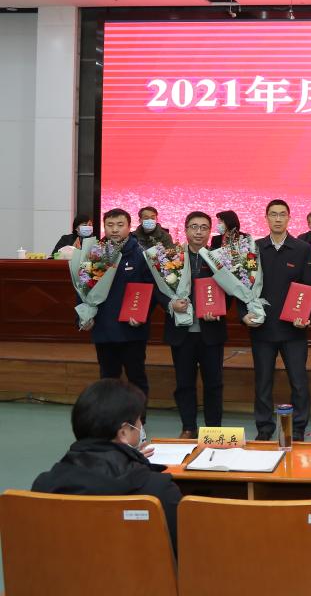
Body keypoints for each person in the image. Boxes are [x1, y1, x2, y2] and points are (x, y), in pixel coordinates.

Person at [32, 379, 182, 552]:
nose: (141, 425)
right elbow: (185, 552)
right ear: (124, 432)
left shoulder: (43, 487)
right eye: (139, 420)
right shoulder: (158, 491)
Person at [241, 199, 311, 442]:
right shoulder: (254, 249)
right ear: (266, 218)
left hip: (293, 330)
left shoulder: (301, 249)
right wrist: (244, 314)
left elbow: (308, 287)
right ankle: (264, 428)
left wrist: (304, 316)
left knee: (299, 382)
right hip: (262, 328)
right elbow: (242, 286)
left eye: (282, 214)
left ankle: (298, 428)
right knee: (263, 382)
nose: (277, 219)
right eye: (273, 214)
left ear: (289, 218)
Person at [155, 212, 226, 439]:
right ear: (185, 230)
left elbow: (233, 290)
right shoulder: (171, 259)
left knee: (213, 383)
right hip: (181, 332)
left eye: (204, 227)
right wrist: (170, 304)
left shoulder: (218, 259)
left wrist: (219, 310)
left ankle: (213, 429)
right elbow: (158, 290)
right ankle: (188, 427)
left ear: (210, 232)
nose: (198, 232)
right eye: (194, 227)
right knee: (184, 383)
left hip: (211, 331)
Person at [79, 208, 155, 401]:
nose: (114, 230)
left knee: (136, 378)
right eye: (110, 225)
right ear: (104, 227)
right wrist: (83, 317)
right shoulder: (94, 254)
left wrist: (142, 316)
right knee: (107, 380)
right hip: (104, 328)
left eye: (120, 225)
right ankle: (110, 417)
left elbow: (152, 291)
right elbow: (82, 287)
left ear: (129, 227)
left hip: (132, 329)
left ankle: (138, 418)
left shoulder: (141, 255)